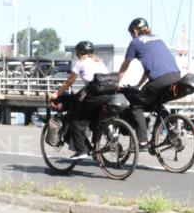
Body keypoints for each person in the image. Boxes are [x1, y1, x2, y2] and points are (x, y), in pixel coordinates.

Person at [115, 18, 181, 148]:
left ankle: (142, 141)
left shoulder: (135, 42)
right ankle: (172, 130)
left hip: (160, 79)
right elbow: (149, 69)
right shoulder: (157, 39)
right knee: (157, 103)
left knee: (136, 105)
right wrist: (139, 85)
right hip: (176, 76)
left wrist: (117, 82)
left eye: (131, 33)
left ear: (134, 31)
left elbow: (125, 65)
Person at [49, 40, 108, 160]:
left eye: (77, 52)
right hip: (107, 96)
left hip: (94, 97)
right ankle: (98, 147)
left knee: (77, 122)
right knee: (94, 121)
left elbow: (68, 82)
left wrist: (56, 94)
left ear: (81, 52)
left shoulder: (80, 63)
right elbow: (93, 82)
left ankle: (82, 150)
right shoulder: (99, 61)